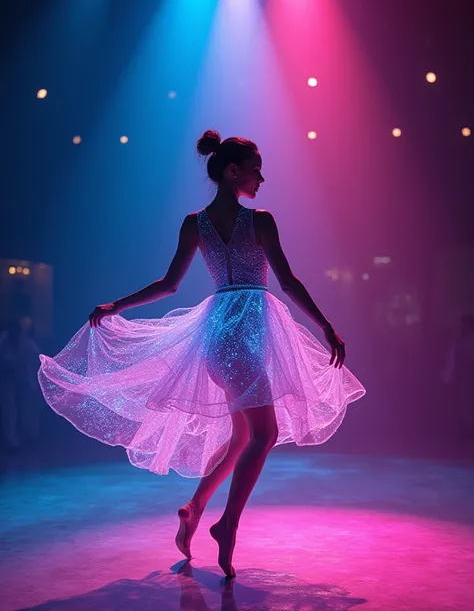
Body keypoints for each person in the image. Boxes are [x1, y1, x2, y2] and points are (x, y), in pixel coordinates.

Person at [38, 130, 365, 577]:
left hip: (219, 338)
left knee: (243, 437)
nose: (262, 177)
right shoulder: (260, 220)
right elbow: (285, 283)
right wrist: (326, 326)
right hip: (243, 334)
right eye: (255, 169)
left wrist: (118, 304)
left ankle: (193, 509)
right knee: (264, 435)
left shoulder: (197, 223)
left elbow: (168, 284)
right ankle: (226, 525)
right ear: (233, 171)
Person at [0, 319, 41, 449]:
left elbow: (33, 367)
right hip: (7, 380)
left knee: (28, 409)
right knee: (9, 411)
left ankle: (29, 438)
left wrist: (32, 384)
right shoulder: (2, 343)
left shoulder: (29, 346)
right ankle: (12, 441)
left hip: (25, 379)